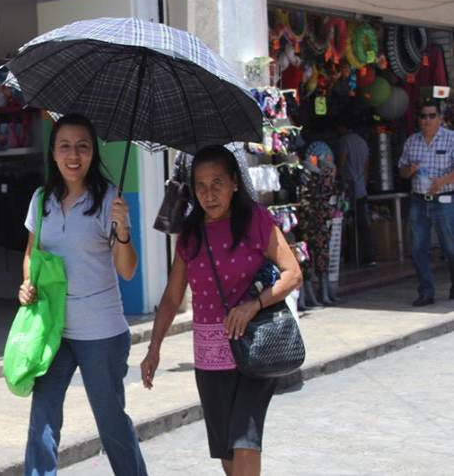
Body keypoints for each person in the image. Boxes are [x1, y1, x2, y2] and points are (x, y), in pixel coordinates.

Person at [140, 145, 302, 476]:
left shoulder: (256, 219)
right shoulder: (190, 235)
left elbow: (293, 274)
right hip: (210, 357)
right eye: (200, 185)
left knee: (245, 439)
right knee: (228, 449)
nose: (209, 194)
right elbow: (172, 297)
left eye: (217, 183)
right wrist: (154, 348)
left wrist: (253, 305)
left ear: (235, 183)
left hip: (254, 348)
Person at [19, 113, 147, 475]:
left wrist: (122, 229)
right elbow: (31, 252)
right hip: (53, 328)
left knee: (111, 423)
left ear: (93, 153)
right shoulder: (40, 199)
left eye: (82, 147)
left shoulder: (109, 199)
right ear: (53, 153)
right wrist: (27, 282)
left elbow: (127, 269)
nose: (73, 155)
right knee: (42, 417)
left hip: (101, 332)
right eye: (65, 146)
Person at [398, 100, 454, 307]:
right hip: (419, 200)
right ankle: (426, 292)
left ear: (440, 118)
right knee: (418, 248)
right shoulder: (412, 142)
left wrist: (442, 181)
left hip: (444, 200)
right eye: (423, 116)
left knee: (450, 247)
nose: (427, 120)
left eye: (432, 116)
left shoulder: (450, 139)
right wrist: (409, 170)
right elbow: (402, 170)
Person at [337, 121, 376, 266]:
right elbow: (366, 167)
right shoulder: (362, 142)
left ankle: (347, 257)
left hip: (348, 186)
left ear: (343, 127)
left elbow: (341, 162)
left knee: (344, 222)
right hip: (361, 187)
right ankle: (369, 257)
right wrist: (363, 183)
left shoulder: (344, 141)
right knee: (364, 224)